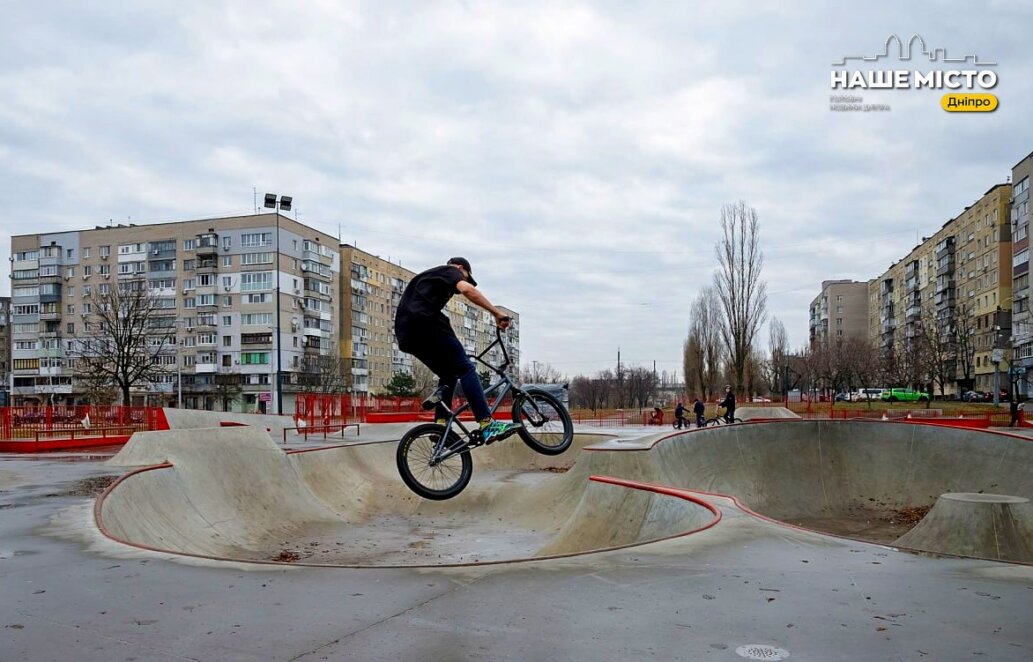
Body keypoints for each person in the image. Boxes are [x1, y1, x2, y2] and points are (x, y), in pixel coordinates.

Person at [394, 258, 521, 444]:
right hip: (425, 323)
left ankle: (441, 425)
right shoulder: (450, 271)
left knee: (448, 374)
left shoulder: (431, 279)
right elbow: (468, 290)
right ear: (462, 269)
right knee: (466, 368)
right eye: (467, 277)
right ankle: (487, 424)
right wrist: (496, 313)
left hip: (407, 336)